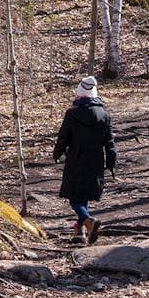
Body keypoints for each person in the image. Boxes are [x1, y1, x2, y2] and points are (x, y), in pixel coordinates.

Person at [53, 76, 116, 244]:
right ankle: (78, 231)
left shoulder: (72, 113)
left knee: (74, 198)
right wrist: (111, 163)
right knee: (84, 195)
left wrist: (57, 153)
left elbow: (63, 137)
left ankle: (88, 222)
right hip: (96, 161)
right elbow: (109, 142)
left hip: (76, 159)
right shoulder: (104, 115)